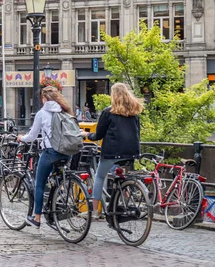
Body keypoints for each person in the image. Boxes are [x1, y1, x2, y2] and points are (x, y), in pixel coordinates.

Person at [81, 83, 143, 216]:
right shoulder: (134, 112)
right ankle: (127, 202)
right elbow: (138, 132)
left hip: (112, 152)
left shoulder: (108, 112)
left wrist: (86, 134)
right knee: (120, 176)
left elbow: (98, 134)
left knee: (100, 177)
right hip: (131, 152)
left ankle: (94, 211)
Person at [17, 86, 73, 228]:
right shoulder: (64, 110)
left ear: (44, 99)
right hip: (67, 152)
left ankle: (37, 218)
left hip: (51, 152)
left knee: (39, 184)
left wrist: (21, 138)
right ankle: (56, 203)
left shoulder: (42, 113)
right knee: (56, 179)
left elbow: (32, 136)